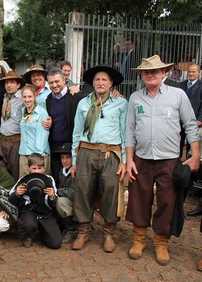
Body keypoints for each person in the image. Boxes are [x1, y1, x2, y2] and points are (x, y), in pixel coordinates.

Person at [126, 55, 200, 266]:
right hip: (141, 159)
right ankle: (139, 239)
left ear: (164, 74)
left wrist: (195, 155)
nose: (151, 74)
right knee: (139, 200)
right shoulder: (135, 98)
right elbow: (129, 131)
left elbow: (191, 125)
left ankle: (161, 242)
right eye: (146, 71)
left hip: (169, 160)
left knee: (167, 202)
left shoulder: (178, 95)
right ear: (141, 75)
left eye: (155, 71)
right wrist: (129, 159)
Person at [71, 65, 127, 253]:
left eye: (104, 80)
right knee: (82, 191)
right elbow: (76, 133)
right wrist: (74, 159)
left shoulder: (121, 103)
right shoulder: (83, 103)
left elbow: (125, 133)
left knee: (110, 191)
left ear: (111, 84)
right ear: (92, 83)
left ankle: (108, 232)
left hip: (110, 153)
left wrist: (124, 160)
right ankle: (83, 231)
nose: (100, 82)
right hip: (86, 151)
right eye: (97, 80)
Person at [9, 153, 61, 249]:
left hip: (45, 213)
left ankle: (43, 231)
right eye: (34, 168)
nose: (37, 171)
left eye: (39, 168)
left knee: (55, 243)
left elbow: (55, 203)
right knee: (29, 224)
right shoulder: (23, 180)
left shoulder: (49, 180)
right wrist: (17, 194)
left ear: (44, 168)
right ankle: (27, 235)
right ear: (29, 168)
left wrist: (52, 196)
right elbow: (11, 199)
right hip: (29, 212)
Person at [46, 69, 87, 184]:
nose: (54, 85)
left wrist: (114, 93)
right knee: (56, 180)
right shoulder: (49, 99)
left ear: (64, 80)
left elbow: (92, 99)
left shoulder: (75, 96)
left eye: (57, 81)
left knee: (73, 181)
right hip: (55, 148)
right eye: (51, 83)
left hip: (71, 147)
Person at [0, 71, 26, 180]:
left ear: (18, 85)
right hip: (2, 139)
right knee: (1, 169)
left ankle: (15, 194)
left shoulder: (23, 98)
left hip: (16, 140)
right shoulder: (5, 97)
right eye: (7, 83)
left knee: (15, 170)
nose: (9, 85)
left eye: (12, 82)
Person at [182, 64, 202, 216]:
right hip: (179, 123)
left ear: (198, 72)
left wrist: (200, 120)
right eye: (189, 71)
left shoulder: (201, 87)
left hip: (195, 123)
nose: (191, 74)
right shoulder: (181, 86)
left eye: (194, 71)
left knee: (193, 153)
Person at [19, 85, 50, 177]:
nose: (27, 99)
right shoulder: (23, 111)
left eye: (29, 96)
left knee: (39, 183)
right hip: (24, 153)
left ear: (34, 96)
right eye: (24, 97)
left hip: (38, 154)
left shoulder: (41, 112)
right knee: (24, 184)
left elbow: (43, 136)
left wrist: (37, 157)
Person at [54, 144, 77, 243]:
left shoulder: (76, 171)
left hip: (76, 203)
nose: (65, 160)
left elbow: (73, 193)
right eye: (62, 158)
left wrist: (57, 191)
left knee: (61, 202)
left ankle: (72, 229)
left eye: (68, 157)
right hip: (66, 201)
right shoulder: (62, 170)